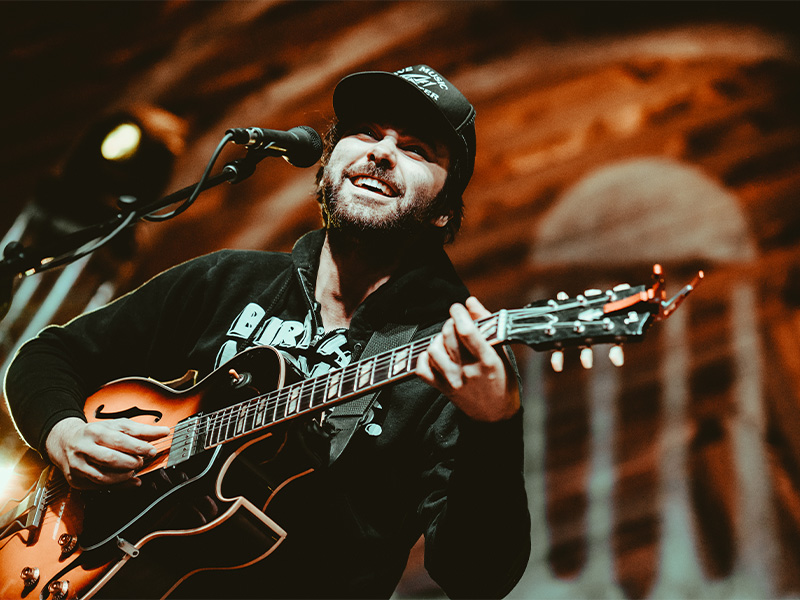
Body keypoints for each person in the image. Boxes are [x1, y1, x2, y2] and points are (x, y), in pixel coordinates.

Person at [4, 64, 531, 599]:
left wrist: (493, 426)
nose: (382, 152)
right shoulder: (228, 279)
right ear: (329, 162)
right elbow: (49, 356)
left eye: (416, 148)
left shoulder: (454, 355)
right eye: (367, 133)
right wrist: (65, 434)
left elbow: (478, 576)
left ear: (445, 211)